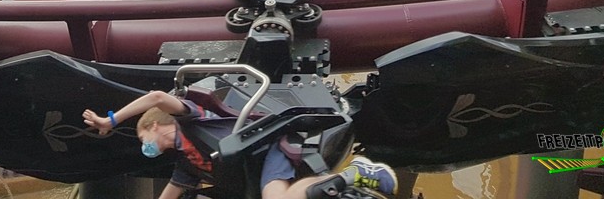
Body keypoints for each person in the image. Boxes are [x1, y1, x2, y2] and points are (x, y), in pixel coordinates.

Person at [83, 90, 398, 199]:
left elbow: (156, 97)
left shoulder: (191, 119)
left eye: (143, 139)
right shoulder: (185, 163)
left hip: (268, 148)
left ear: (153, 126)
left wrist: (112, 120)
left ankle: (357, 173)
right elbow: (171, 193)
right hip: (254, 173)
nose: (145, 147)